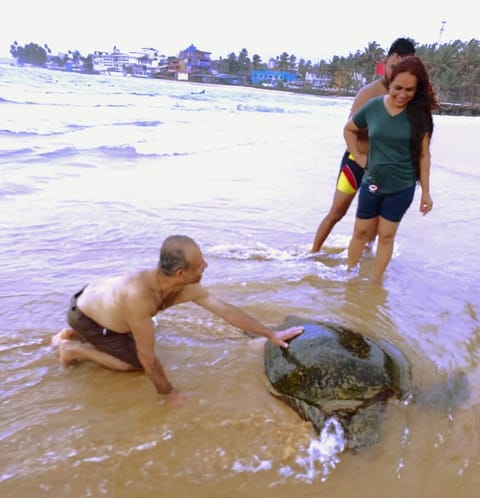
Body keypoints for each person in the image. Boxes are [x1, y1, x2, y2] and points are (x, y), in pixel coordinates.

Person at [52, 235, 304, 403]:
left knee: (143, 334)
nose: (205, 266)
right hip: (86, 316)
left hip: (94, 300)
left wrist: (271, 334)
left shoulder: (180, 285)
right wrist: (168, 393)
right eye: (200, 264)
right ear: (181, 273)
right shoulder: (140, 296)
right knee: (133, 365)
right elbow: (147, 359)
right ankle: (72, 348)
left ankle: (73, 334)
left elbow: (226, 311)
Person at [310, 37, 416, 254]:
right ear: (385, 62)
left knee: (375, 222)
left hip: (385, 170)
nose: (396, 73)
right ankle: (312, 253)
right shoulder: (369, 94)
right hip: (356, 163)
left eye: (402, 68)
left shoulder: (408, 98)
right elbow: (349, 131)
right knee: (336, 213)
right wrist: (360, 157)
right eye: (393, 67)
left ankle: (364, 260)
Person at [344, 55, 438, 281]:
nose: (403, 94)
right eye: (398, 88)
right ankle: (348, 279)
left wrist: (425, 192)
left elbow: (424, 155)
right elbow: (349, 130)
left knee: (386, 237)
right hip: (373, 182)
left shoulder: (420, 116)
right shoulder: (374, 107)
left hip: (402, 186)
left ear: (418, 90)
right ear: (390, 82)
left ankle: (375, 286)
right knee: (360, 233)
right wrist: (358, 156)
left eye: (410, 90)